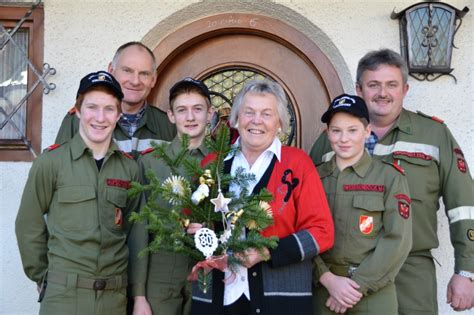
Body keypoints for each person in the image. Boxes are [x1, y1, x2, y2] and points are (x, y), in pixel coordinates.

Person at [310, 49, 474, 314]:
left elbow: (464, 205)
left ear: (405, 89)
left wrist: (466, 271)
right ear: (359, 89)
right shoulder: (329, 140)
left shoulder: (434, 134)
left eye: (391, 85)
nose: (382, 93)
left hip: (411, 272)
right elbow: (307, 206)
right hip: (344, 277)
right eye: (373, 85)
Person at [191, 78, 335, 315]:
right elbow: (187, 222)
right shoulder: (211, 165)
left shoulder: (297, 164)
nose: (256, 120)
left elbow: (322, 233)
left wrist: (266, 252)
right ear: (236, 119)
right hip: (217, 296)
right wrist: (193, 230)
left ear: (279, 123)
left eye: (267, 114)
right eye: (249, 112)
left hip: (280, 300)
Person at [15, 71, 140, 315]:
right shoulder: (51, 163)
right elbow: (27, 224)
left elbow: (134, 232)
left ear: (118, 115)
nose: (100, 118)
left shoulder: (129, 168)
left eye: (109, 109)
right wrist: (43, 276)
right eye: (92, 107)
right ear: (78, 110)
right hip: (64, 297)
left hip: (114, 299)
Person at [312, 94, 412, 315]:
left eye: (352, 130)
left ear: (367, 132)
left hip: (373, 293)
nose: (344, 138)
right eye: (336, 130)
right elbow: (302, 232)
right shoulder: (313, 178)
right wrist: (327, 279)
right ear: (327, 133)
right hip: (324, 289)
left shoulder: (389, 177)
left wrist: (355, 287)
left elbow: (398, 240)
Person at [130, 78, 214, 315]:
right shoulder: (150, 162)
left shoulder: (224, 162)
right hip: (161, 266)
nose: (190, 117)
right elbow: (138, 231)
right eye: (182, 110)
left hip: (209, 268)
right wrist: (138, 295)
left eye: (197, 109)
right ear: (171, 115)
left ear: (210, 113)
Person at [55, 41, 176, 159]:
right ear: (111, 71)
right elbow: (58, 170)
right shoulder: (79, 120)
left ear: (153, 79)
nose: (135, 81)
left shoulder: (169, 125)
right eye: (127, 70)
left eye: (144, 73)